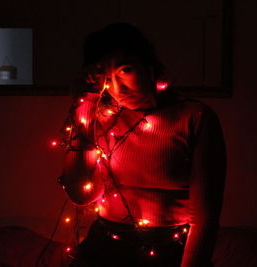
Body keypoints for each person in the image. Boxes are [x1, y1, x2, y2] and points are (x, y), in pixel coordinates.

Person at [59, 23, 226, 267]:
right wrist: (84, 108)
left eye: (126, 70)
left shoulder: (194, 117)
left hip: (169, 251)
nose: (118, 88)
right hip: (103, 249)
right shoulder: (104, 120)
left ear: (148, 65)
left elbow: (205, 220)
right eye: (108, 78)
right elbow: (81, 195)